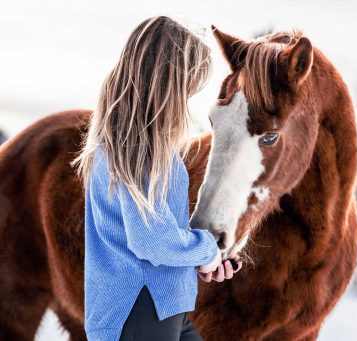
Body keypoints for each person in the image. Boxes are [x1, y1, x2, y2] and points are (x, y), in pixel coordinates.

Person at [72, 16, 242, 341]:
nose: (187, 102)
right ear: (168, 85)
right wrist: (206, 250)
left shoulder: (145, 149)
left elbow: (157, 233)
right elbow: (151, 242)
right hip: (139, 311)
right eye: (187, 89)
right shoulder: (135, 151)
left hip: (165, 305)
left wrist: (202, 259)